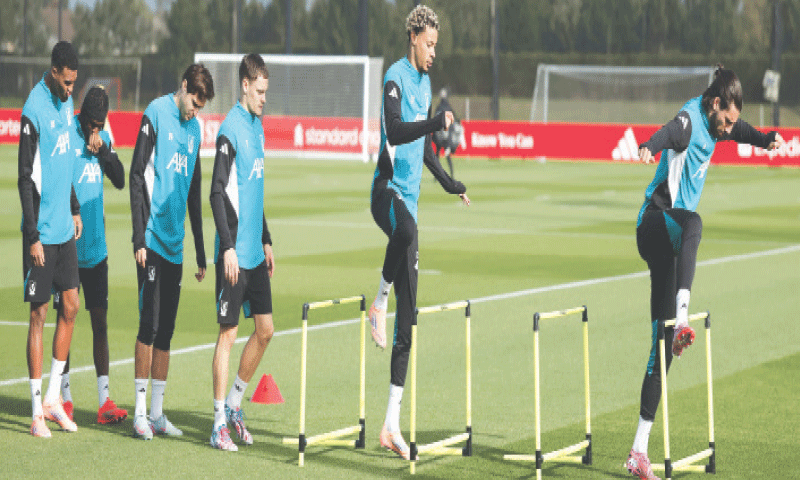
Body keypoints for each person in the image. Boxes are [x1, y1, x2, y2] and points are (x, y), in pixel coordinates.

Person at [625, 65, 785, 480]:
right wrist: (647, 145)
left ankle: (638, 451)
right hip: (654, 226)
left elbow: (744, 129)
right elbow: (666, 133)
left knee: (659, 352)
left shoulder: (723, 124)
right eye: (727, 120)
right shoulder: (690, 120)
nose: (730, 129)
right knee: (694, 223)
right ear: (715, 105)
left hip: (670, 244)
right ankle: (683, 319)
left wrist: (766, 140)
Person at [368, 4, 470, 460]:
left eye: (436, 46)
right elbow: (395, 129)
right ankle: (378, 301)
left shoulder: (426, 84)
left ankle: (390, 425)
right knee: (405, 230)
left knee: (408, 327)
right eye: (428, 44)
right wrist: (434, 124)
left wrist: (449, 183)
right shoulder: (395, 77)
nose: (433, 52)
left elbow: (425, 147)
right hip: (385, 193)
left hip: (410, 205)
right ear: (413, 37)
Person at [129, 64, 214, 440]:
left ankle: (159, 414)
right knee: (148, 323)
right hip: (150, 238)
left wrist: (199, 248)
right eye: (194, 102)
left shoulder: (195, 130)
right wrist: (137, 239)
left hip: (176, 245)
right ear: (183, 87)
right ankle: (139, 413)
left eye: (201, 106)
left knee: (167, 330)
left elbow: (194, 191)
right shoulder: (155, 113)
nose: (196, 110)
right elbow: (135, 175)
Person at [208, 53, 275, 452]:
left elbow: (254, 189)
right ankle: (218, 424)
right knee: (228, 334)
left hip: (254, 254)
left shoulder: (258, 126)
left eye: (267, 91)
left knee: (265, 331)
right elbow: (217, 191)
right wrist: (228, 247)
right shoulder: (230, 129)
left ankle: (235, 405)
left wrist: (266, 238)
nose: (265, 98)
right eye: (261, 91)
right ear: (246, 85)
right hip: (233, 256)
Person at [18, 41, 83, 438]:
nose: (71, 89)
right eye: (68, 81)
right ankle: (35, 411)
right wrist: (32, 235)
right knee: (39, 314)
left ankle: (54, 400)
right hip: (42, 234)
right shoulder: (33, 109)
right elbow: (26, 177)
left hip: (65, 229)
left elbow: (67, 160)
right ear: (55, 70)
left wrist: (74, 207)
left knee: (72, 307)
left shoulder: (65, 102)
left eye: (75, 82)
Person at [54, 85, 128, 425]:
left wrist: (104, 153)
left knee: (100, 322)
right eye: (91, 125)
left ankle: (104, 401)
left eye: (100, 125)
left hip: (96, 251)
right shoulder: (67, 132)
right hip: (66, 248)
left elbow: (120, 179)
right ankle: (63, 398)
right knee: (65, 321)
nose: (94, 130)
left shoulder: (103, 136)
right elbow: (55, 180)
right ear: (81, 116)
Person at [432, 87, 463, 177]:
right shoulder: (448, 107)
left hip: (439, 136)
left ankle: (436, 175)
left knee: (437, 155)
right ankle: (452, 174)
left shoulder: (439, 107)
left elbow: (434, 120)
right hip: (446, 136)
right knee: (447, 155)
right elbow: (454, 119)